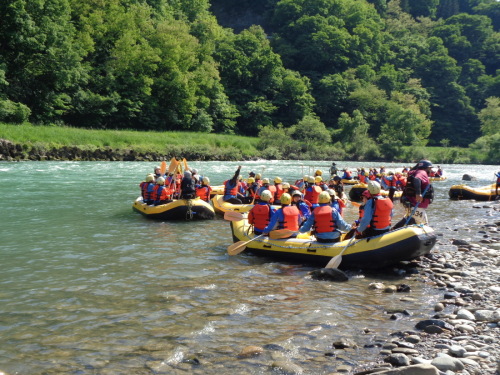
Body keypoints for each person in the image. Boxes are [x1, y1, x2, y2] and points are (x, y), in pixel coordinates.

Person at [396, 160, 434, 227]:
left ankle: (393, 230)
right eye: (430, 168)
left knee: (412, 220)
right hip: (417, 204)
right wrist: (418, 194)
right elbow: (417, 179)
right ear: (426, 167)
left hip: (411, 203)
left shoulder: (414, 172)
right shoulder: (422, 172)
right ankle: (393, 231)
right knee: (416, 221)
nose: (431, 170)